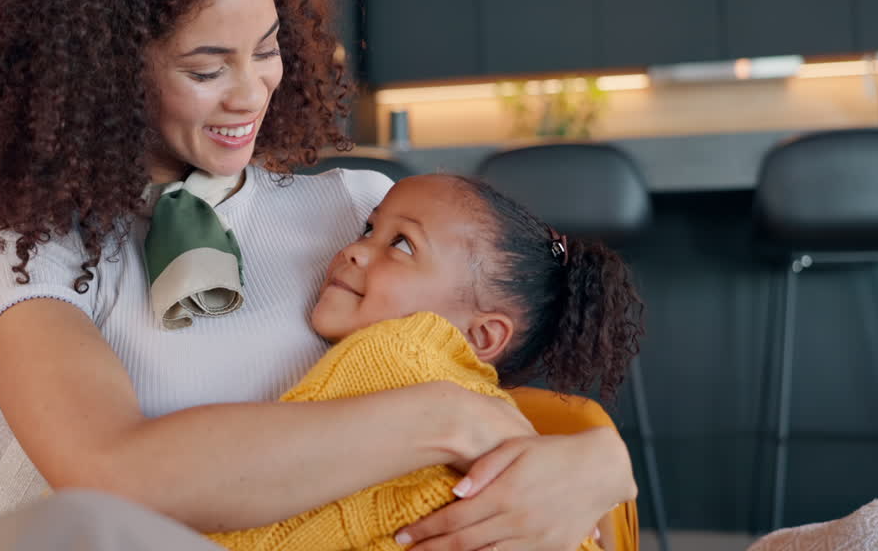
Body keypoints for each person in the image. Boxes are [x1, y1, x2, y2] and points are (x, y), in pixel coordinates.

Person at [0, 0, 637, 551]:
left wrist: (602, 463)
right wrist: (448, 420)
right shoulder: (34, 254)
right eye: (206, 69)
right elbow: (110, 477)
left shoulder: (363, 212)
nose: (251, 93)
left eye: (266, 50)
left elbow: (485, 371)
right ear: (103, 75)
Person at [208, 174, 644, 551]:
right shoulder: (486, 406)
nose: (354, 250)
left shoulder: (396, 349)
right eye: (368, 229)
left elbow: (260, 521)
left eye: (401, 244)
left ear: (482, 335)